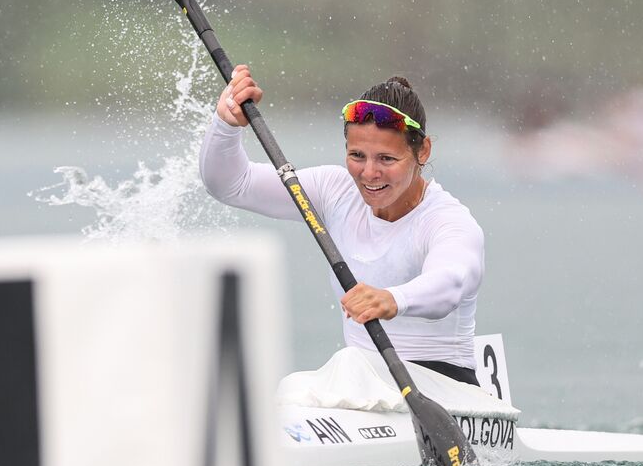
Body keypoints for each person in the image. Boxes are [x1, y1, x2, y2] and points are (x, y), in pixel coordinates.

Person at [199, 65, 485, 386]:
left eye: (387, 159)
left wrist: (393, 299)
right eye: (357, 155)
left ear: (423, 151)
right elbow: (231, 185)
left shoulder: (448, 221)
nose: (369, 173)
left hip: (444, 385)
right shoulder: (334, 191)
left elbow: (450, 283)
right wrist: (226, 124)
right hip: (363, 385)